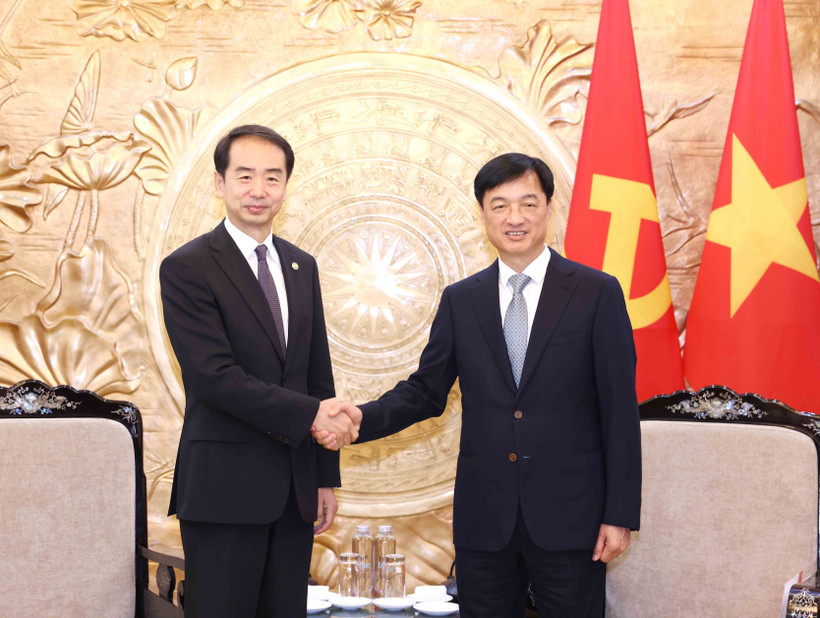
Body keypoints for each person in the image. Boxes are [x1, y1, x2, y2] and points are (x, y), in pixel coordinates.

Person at [317, 153, 641, 617]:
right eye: (500, 205)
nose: (515, 218)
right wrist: (359, 419)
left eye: (528, 204)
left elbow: (619, 411)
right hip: (485, 519)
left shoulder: (596, 292)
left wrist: (619, 515)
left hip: (572, 518)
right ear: (483, 213)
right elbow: (425, 392)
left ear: (549, 207)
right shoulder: (462, 300)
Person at [159, 124, 360, 617]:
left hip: (294, 491)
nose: (258, 190)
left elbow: (316, 374)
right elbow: (214, 377)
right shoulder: (188, 267)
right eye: (244, 175)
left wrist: (323, 478)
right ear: (219, 182)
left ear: (286, 186)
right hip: (224, 489)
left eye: (272, 177)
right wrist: (315, 415)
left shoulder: (300, 265)